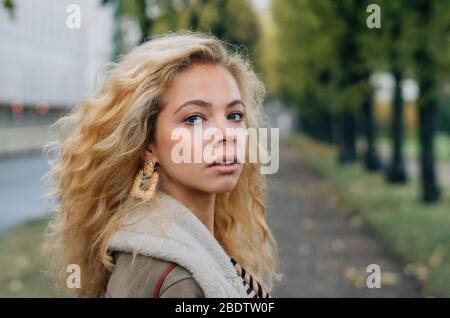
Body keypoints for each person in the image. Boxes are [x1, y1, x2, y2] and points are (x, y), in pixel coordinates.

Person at [44, 31, 281, 298]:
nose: (226, 133)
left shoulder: (179, 245)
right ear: (148, 145)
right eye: (194, 119)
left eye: (234, 115)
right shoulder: (174, 279)